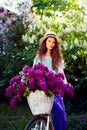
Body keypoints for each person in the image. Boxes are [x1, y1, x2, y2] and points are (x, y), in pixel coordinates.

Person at [33, 31, 67, 130]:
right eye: (49, 41)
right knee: (59, 111)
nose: (51, 44)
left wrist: (66, 85)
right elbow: (34, 73)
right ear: (45, 42)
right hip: (43, 90)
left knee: (62, 116)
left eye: (53, 42)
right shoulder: (39, 57)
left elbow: (62, 73)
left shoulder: (57, 57)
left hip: (55, 89)